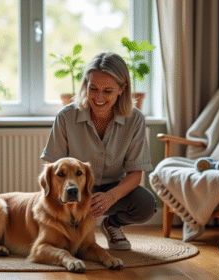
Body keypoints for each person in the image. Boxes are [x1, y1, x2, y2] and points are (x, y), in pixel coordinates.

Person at [40, 51, 156, 251]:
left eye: (108, 91)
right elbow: (51, 168)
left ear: (122, 89)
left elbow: (135, 174)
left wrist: (110, 197)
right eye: (93, 88)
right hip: (75, 190)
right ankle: (70, 228)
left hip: (114, 191)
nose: (99, 98)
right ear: (86, 85)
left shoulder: (135, 120)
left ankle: (112, 225)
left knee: (146, 204)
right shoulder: (66, 117)